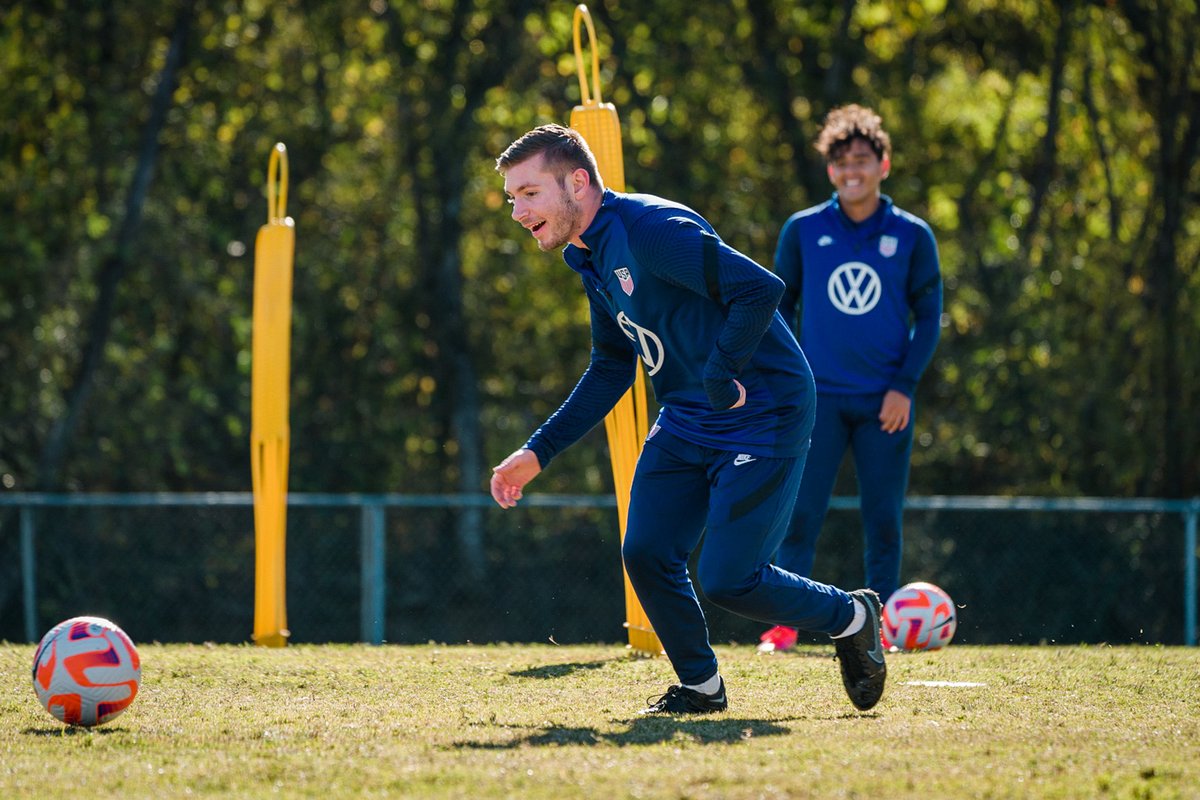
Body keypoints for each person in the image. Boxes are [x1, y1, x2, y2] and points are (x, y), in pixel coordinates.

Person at [489, 123, 886, 714]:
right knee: (645, 552)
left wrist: (720, 374)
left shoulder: (651, 231)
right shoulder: (587, 254)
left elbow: (760, 289)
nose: (518, 211)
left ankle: (850, 615)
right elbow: (611, 365)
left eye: (529, 193)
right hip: (688, 416)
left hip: (762, 410)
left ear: (578, 181)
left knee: (731, 579)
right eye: (512, 197)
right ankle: (701, 686)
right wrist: (538, 451)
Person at [758, 105, 942, 654]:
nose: (851, 171)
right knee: (798, 518)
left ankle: (881, 628)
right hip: (816, 403)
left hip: (885, 403)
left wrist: (904, 386)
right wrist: (786, 384)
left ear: (883, 164)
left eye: (862, 160)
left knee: (882, 520)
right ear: (830, 171)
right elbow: (776, 311)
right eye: (841, 163)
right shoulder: (804, 229)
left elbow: (929, 318)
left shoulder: (912, 236)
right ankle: (783, 628)